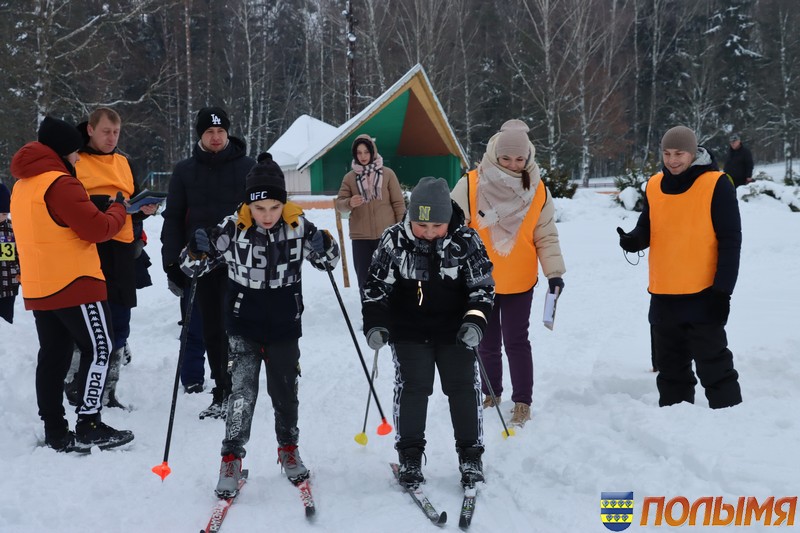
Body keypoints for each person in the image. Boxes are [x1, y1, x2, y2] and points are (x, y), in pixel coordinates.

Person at [178, 153, 340, 498]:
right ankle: (231, 457)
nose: (267, 216)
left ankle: (288, 448)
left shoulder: (299, 227)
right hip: (243, 323)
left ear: (283, 204)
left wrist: (325, 244)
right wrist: (196, 248)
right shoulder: (233, 227)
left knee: (285, 391)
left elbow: (329, 263)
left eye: (273, 207)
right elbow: (190, 269)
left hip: (284, 323)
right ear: (248, 205)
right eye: (260, 208)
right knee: (242, 392)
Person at [9, 116, 134, 451]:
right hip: (75, 282)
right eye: (74, 153)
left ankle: (55, 430)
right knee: (101, 348)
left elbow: (53, 219)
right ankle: (89, 422)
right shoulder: (61, 182)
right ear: (62, 153)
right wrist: (120, 211)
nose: (79, 158)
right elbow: (96, 230)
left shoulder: (24, 185)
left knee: (53, 356)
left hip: (40, 285)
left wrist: (93, 206)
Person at [362, 177, 494, 489]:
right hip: (409, 331)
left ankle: (470, 455)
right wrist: (377, 324)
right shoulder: (394, 240)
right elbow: (375, 290)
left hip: (456, 332)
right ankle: (409, 455)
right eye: (422, 226)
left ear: (448, 218)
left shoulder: (467, 241)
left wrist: (475, 322)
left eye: (437, 226)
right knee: (413, 388)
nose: (430, 233)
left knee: (463, 388)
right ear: (410, 217)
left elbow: (482, 289)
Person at [616, 125, 743, 409]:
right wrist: (633, 241)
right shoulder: (654, 185)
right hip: (663, 294)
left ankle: (730, 424)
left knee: (714, 366)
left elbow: (731, 241)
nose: (672, 160)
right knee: (671, 369)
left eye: (680, 153)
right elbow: (648, 227)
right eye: (667, 153)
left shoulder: (716, 183)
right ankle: (675, 424)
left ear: (693, 152)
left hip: (704, 293)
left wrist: (723, 291)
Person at [451, 119, 566, 427]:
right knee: (486, 341)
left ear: (527, 157)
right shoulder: (472, 183)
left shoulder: (537, 188)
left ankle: (522, 401)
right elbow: (451, 225)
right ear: (495, 154)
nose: (513, 164)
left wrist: (554, 272)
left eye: (519, 158)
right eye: (506, 158)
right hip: (480, 280)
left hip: (519, 279)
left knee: (516, 341)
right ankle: (490, 392)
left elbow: (546, 233)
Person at [161, 107, 256, 415]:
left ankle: (240, 385)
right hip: (200, 263)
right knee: (212, 329)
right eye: (209, 133)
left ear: (227, 133)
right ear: (200, 135)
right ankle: (221, 389)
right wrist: (172, 263)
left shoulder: (247, 167)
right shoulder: (185, 171)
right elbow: (173, 218)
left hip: (239, 262)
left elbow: (263, 214)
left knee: (239, 328)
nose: (216, 137)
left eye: (220, 132)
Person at [67, 107, 157, 408]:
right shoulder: (74, 160)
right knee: (88, 323)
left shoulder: (123, 161)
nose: (111, 137)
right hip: (87, 248)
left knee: (120, 320)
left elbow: (132, 196)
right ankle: (77, 382)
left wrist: (144, 207)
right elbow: (67, 202)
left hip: (122, 247)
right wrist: (104, 203)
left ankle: (108, 390)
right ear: (90, 129)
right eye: (106, 131)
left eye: (116, 132)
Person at [335, 134, 405, 290]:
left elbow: (398, 204)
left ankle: (390, 312)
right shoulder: (349, 178)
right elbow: (340, 205)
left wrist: (401, 231)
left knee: (390, 277)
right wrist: (349, 202)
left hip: (387, 237)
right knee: (365, 280)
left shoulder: (387, 174)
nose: (363, 156)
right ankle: (368, 312)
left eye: (366, 152)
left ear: (373, 152)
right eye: (359, 153)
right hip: (361, 239)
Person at [0, 183, 20, 324]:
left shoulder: (12, 227)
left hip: (9, 284)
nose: (4, 217)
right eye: (1, 213)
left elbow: (19, 252)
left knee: (6, 320)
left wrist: (20, 271)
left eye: (6, 213)